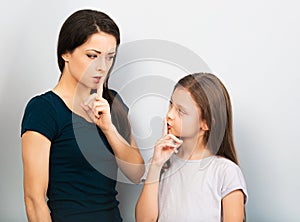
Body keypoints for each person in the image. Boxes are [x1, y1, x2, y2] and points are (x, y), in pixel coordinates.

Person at [21, 9, 144, 222]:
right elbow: (34, 199)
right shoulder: (44, 109)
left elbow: (136, 173)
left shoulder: (112, 102)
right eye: (92, 56)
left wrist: (108, 128)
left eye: (109, 58)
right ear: (66, 53)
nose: (102, 67)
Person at [136, 73, 248, 222]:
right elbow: (143, 220)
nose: (169, 115)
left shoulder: (225, 172)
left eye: (181, 111)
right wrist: (156, 165)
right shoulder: (161, 164)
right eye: (171, 105)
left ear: (206, 123)